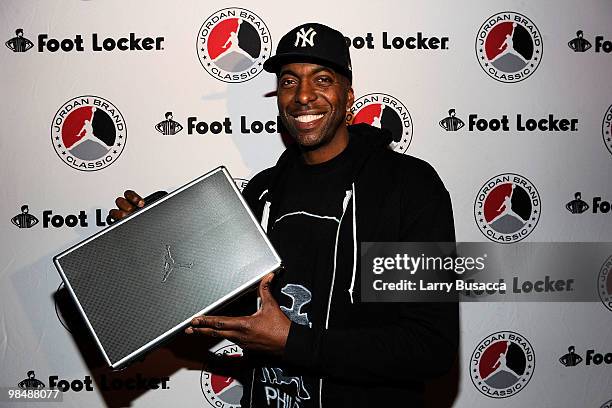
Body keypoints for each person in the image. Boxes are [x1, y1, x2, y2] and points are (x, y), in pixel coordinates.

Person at [110, 22, 458, 407]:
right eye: (289, 82)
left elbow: (430, 345)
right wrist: (149, 242)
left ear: (349, 98)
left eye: (321, 80)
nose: (303, 96)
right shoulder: (260, 194)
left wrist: (294, 343)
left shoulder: (407, 188)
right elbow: (217, 306)